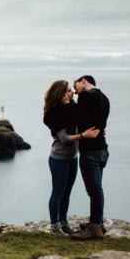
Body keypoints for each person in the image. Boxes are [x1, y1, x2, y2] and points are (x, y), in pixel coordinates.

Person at [43, 80, 100, 235]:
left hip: (72, 157)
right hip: (58, 159)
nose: (72, 92)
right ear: (60, 94)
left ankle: (63, 222)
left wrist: (97, 132)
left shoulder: (71, 109)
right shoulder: (54, 114)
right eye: (68, 90)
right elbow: (64, 138)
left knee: (67, 192)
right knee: (57, 193)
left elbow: (81, 119)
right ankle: (54, 226)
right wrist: (83, 135)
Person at [70, 75, 110, 240]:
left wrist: (69, 103)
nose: (75, 90)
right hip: (102, 150)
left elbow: (76, 118)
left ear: (84, 81)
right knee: (97, 188)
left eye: (76, 85)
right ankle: (97, 222)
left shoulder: (86, 96)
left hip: (90, 151)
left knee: (94, 191)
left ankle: (94, 228)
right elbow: (100, 123)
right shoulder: (104, 97)